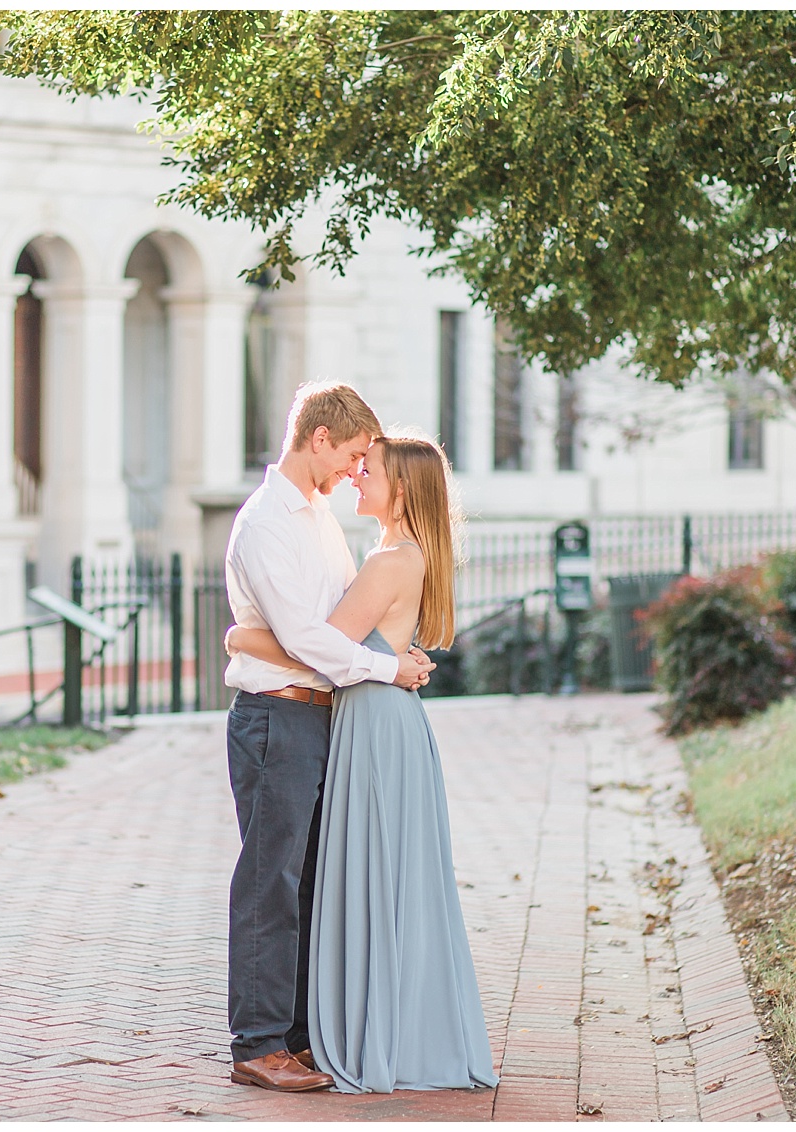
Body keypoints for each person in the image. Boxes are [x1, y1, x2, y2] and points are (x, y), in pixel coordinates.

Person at [226, 431, 499, 1094]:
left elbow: (318, 646)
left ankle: (342, 1035)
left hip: (373, 727)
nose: (356, 476)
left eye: (368, 468)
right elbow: (331, 642)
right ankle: (337, 1031)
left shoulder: (387, 561)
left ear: (401, 488)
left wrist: (239, 635)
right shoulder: (388, 552)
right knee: (363, 880)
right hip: (375, 722)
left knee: (363, 879)